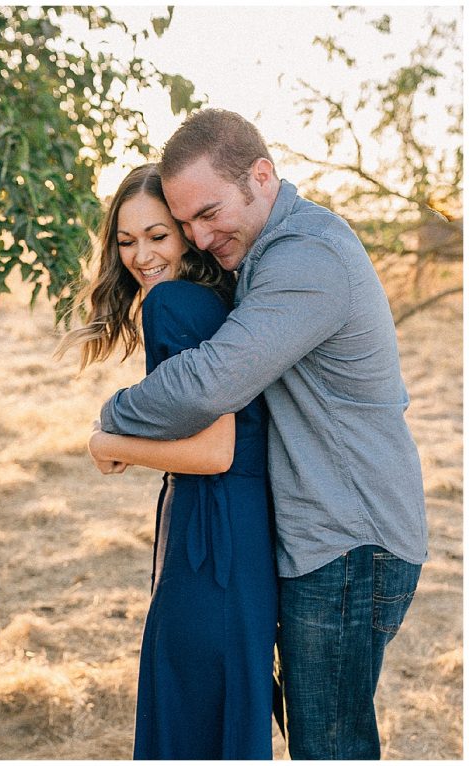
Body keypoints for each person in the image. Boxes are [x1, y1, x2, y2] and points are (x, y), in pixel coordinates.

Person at [99, 109, 428, 759]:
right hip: (324, 539)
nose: (196, 237)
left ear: (263, 175)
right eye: (186, 221)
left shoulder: (307, 255)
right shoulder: (263, 254)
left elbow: (211, 382)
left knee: (329, 747)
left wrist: (111, 420)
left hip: (349, 543)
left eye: (208, 213)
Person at [58, 164, 277, 758]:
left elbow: (214, 451)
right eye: (126, 242)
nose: (141, 256)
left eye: (158, 236)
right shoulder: (213, 300)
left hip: (215, 539)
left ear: (186, 232)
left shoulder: (174, 304)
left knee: (187, 713)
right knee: (223, 711)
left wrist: (109, 443)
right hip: (242, 533)